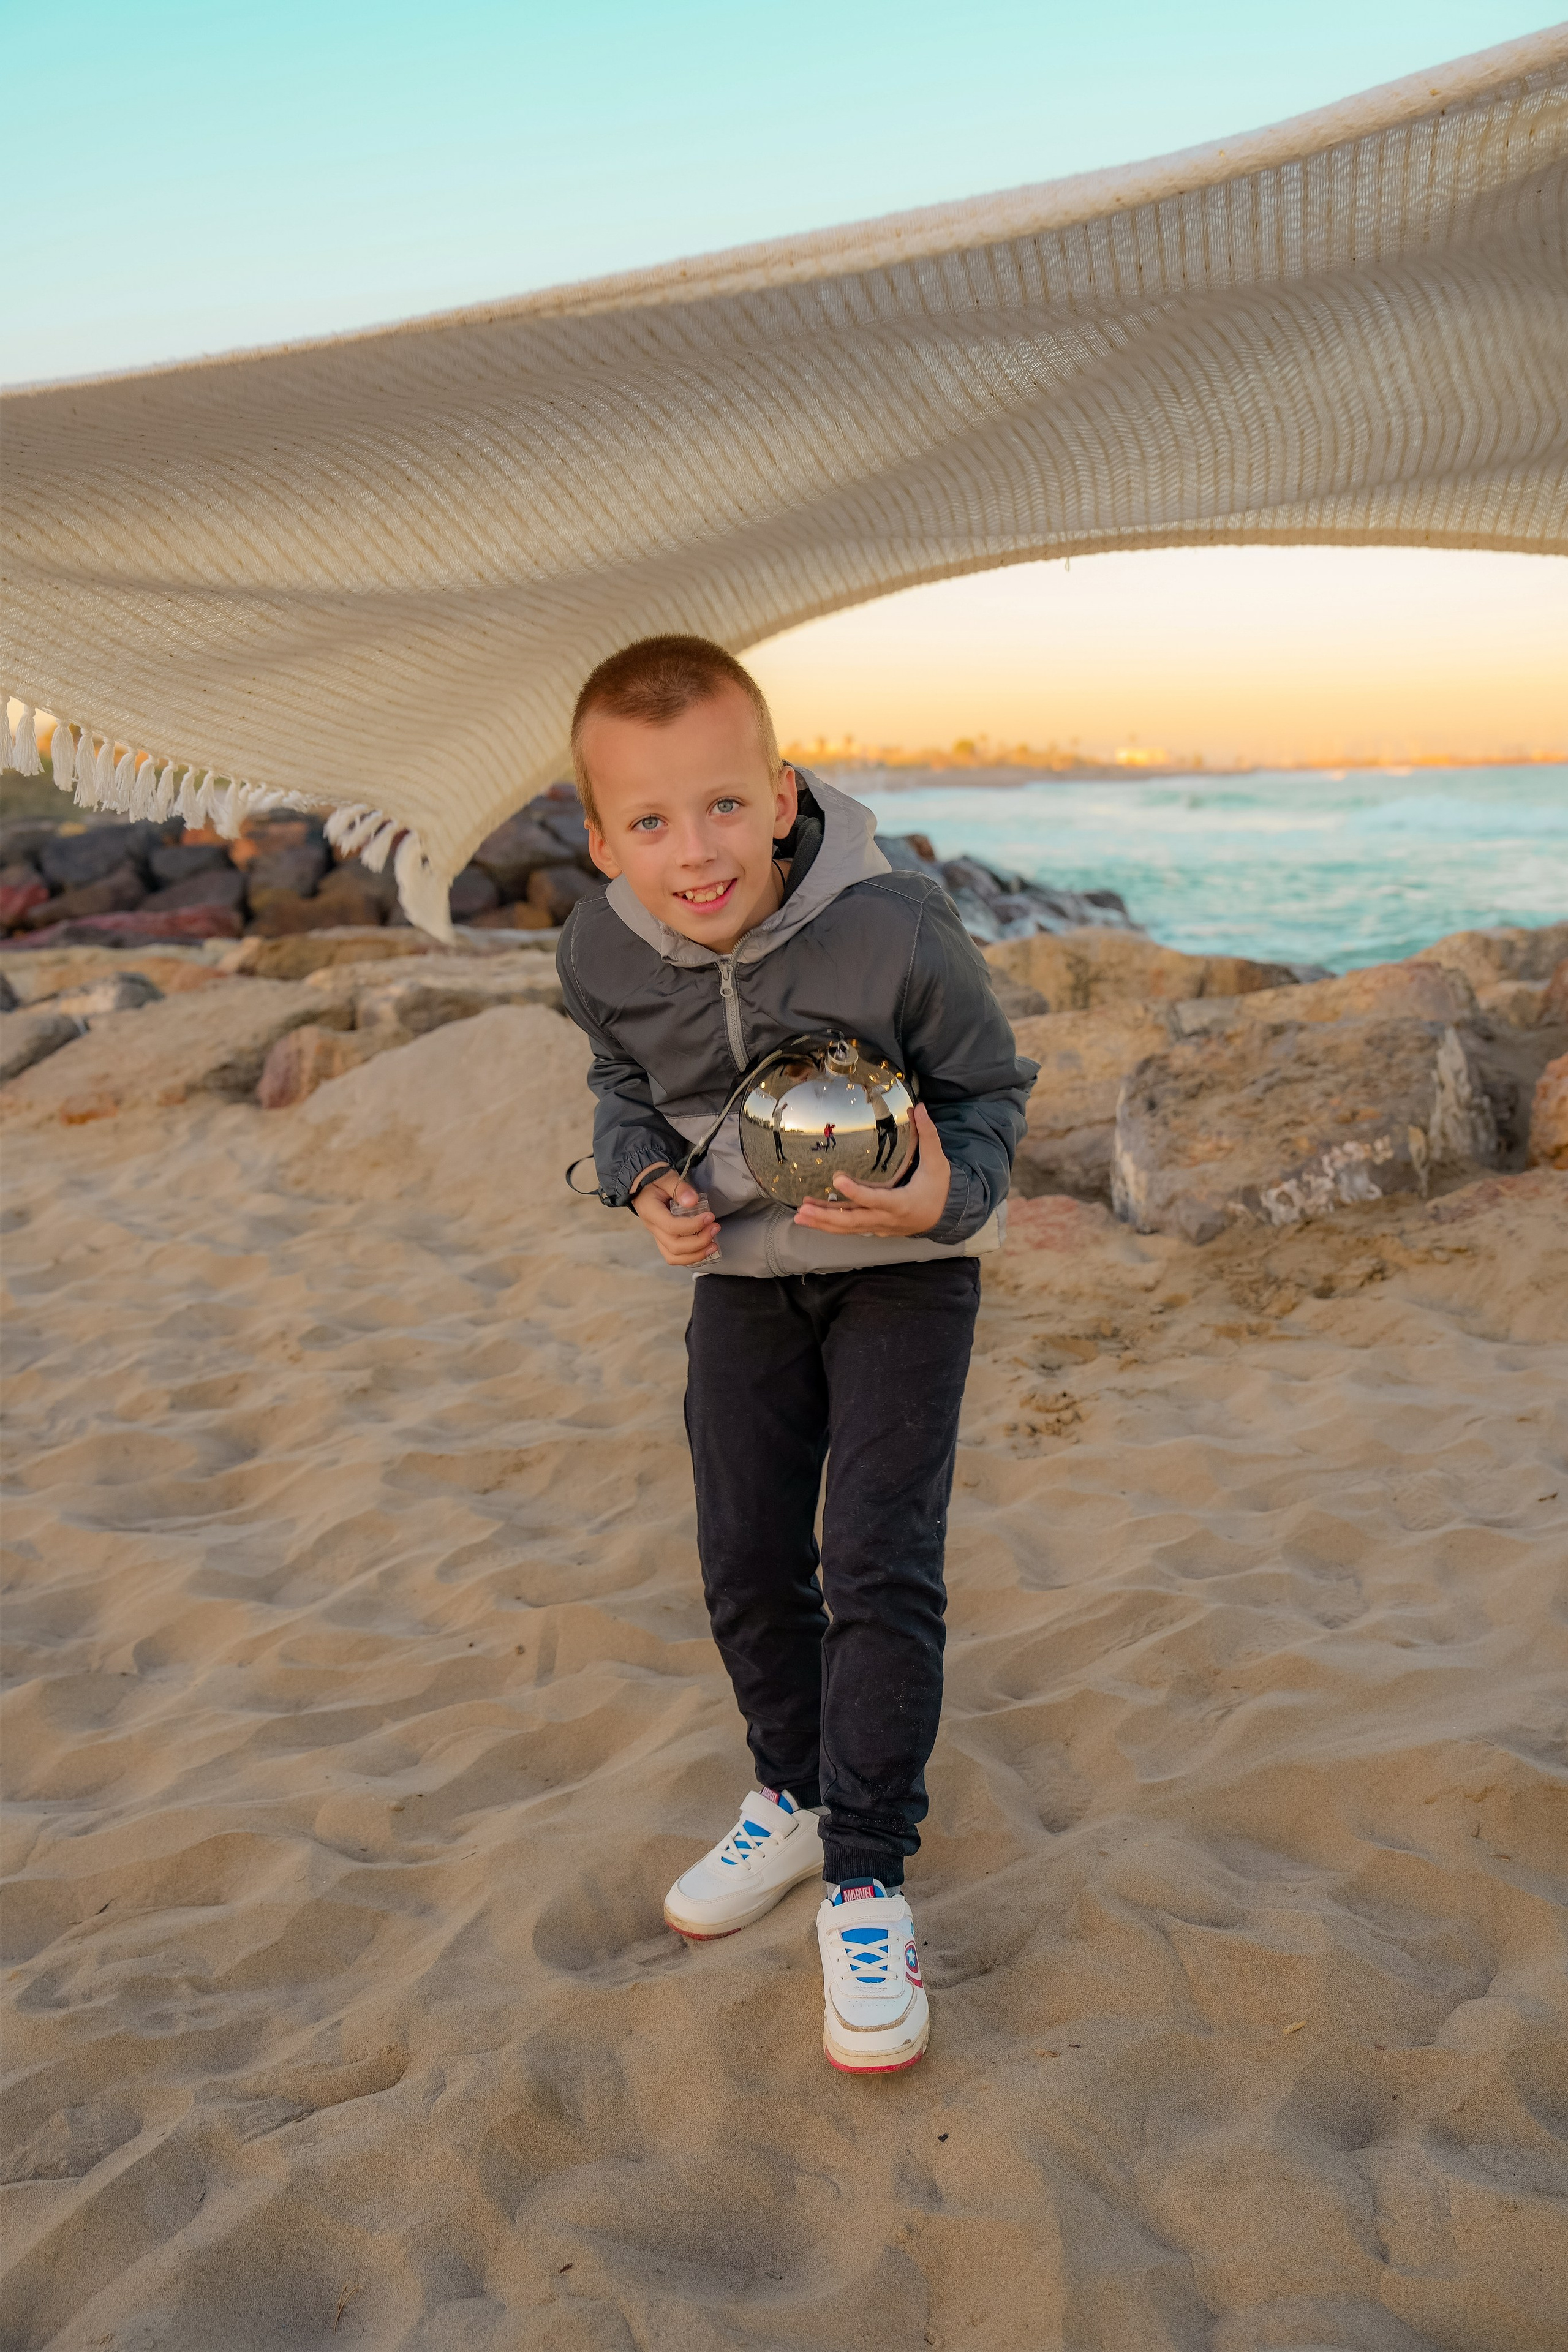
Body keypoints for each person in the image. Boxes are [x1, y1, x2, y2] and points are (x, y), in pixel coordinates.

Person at [557, 635, 1035, 2073]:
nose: (691, 854)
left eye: (718, 808)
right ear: (600, 841)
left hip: (903, 1275)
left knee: (876, 1560)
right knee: (746, 1559)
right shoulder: (595, 947)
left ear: (778, 794)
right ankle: (791, 1793)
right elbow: (618, 1081)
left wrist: (942, 1193)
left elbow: (989, 1089)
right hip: (745, 1288)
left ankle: (865, 1878)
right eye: (648, 823)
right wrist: (642, 1178)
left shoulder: (893, 925)